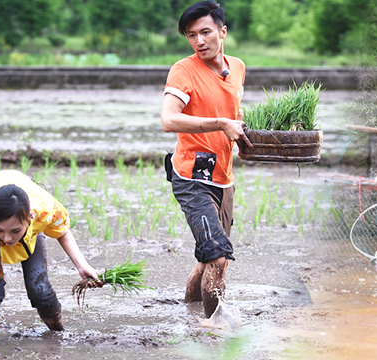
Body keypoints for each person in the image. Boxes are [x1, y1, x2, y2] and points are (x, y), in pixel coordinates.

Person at [160, 0, 251, 319]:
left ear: (222, 32)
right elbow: (169, 120)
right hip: (191, 179)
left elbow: (234, 113)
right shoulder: (183, 70)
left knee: (206, 258)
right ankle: (214, 330)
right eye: (191, 35)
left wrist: (242, 137)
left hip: (224, 179)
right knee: (218, 257)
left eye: (205, 32)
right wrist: (220, 123)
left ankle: (191, 317)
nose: (199, 41)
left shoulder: (237, 67)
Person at [0, 170, 101, 357]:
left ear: (29, 219)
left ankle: (58, 334)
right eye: (0, 230)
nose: (8, 238)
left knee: (39, 290)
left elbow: (61, 229)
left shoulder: (43, 210)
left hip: (20, 210)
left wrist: (82, 265)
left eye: (15, 231)